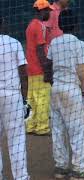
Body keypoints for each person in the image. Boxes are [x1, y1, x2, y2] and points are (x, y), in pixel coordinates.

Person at [47, 9, 84, 179]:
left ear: (60, 25)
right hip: (71, 90)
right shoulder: (79, 43)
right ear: (75, 25)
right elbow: (81, 72)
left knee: (58, 129)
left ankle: (60, 167)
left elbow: (49, 64)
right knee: (76, 131)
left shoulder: (54, 42)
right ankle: (78, 169)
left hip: (56, 89)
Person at [0, 16, 30, 180]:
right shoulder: (14, 43)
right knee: (16, 139)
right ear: (2, 23)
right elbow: (23, 73)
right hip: (12, 96)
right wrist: (24, 99)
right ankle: (21, 177)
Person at [25, 0, 53, 135]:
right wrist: (47, 70)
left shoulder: (30, 25)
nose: (49, 13)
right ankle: (42, 128)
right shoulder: (39, 26)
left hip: (30, 69)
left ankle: (30, 125)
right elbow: (40, 49)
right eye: (47, 10)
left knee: (32, 99)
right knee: (43, 99)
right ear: (41, 11)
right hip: (39, 69)